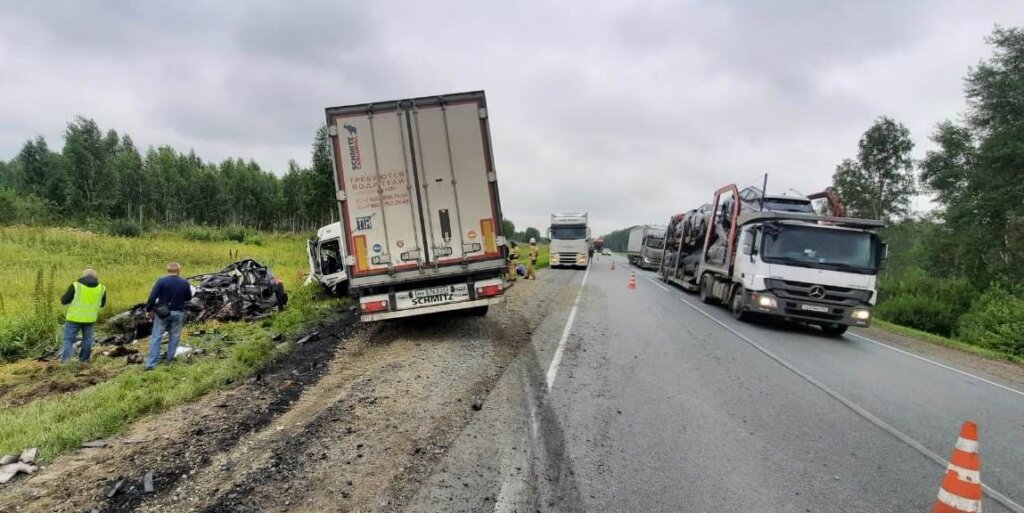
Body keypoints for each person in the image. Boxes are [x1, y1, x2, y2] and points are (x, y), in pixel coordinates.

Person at [145, 262, 193, 370]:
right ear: (179, 270)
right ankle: (169, 361)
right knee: (174, 337)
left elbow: (152, 297)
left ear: (168, 270)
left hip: (163, 312)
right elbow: (188, 298)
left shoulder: (162, 281)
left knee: (157, 336)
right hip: (178, 312)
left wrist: (148, 310)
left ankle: (151, 364)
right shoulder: (184, 282)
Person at [59, 268, 107, 363]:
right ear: (95, 276)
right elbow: (102, 304)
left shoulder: (76, 286)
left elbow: (64, 301)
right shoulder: (102, 288)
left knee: (68, 339)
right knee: (88, 339)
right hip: (90, 319)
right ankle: (84, 360)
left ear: (84, 276)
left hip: (74, 318)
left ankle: (66, 361)